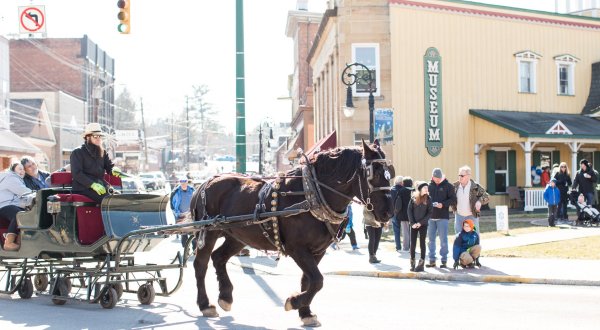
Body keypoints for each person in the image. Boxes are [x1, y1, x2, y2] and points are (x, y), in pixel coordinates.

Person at [70, 123, 121, 204]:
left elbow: (109, 167)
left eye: (100, 136)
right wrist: (92, 185)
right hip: (83, 188)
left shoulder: (102, 152)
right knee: (109, 201)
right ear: (88, 137)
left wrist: (114, 170)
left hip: (100, 185)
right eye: (95, 136)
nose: (98, 138)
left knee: (120, 198)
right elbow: (77, 174)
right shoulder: (77, 152)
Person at [426, 168, 456, 268]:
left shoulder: (448, 186)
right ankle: (432, 260)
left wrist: (442, 205)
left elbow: (453, 199)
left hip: (443, 217)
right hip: (430, 217)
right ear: (432, 177)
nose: (437, 180)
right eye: (435, 178)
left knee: (443, 239)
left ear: (442, 176)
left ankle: (444, 260)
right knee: (431, 240)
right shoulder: (428, 186)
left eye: (438, 178)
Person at [0, 162, 35, 251]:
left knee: (27, 213)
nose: (22, 171)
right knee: (19, 214)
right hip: (4, 205)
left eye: (23, 169)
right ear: (12, 170)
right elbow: (23, 191)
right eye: (19, 169)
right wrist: (37, 194)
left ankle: (20, 240)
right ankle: (8, 242)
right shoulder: (11, 177)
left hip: (7, 204)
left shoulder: (15, 178)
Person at [452, 165, 490, 234]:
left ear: (468, 176)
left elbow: (486, 196)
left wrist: (479, 201)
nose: (460, 177)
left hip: (472, 216)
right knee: (459, 239)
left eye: (462, 175)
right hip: (458, 216)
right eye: (459, 175)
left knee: (473, 238)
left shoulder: (475, 186)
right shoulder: (455, 186)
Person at [407, 182, 432, 272]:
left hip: (423, 225)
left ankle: (421, 265)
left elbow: (429, 213)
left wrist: (420, 223)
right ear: (420, 189)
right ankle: (412, 263)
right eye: (425, 187)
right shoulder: (413, 198)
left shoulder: (428, 199)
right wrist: (412, 223)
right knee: (412, 244)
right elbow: (409, 210)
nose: (426, 189)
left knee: (422, 243)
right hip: (413, 225)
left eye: (427, 188)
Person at [170, 177, 196, 249]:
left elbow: (197, 201)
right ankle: (186, 248)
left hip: (191, 216)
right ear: (180, 183)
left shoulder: (192, 190)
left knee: (193, 232)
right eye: (181, 183)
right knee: (183, 234)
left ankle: (194, 249)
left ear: (187, 182)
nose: (183, 184)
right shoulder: (175, 192)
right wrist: (177, 214)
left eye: (184, 182)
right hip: (180, 216)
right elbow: (172, 206)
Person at [396, 177, 413, 251]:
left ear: (403, 183)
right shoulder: (414, 191)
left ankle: (406, 248)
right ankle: (412, 247)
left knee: (405, 232)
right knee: (413, 232)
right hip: (413, 215)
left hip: (403, 214)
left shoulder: (400, 191)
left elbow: (398, 203)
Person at [390, 175, 404, 252]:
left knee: (396, 230)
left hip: (394, 212)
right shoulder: (404, 189)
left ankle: (398, 247)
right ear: (402, 182)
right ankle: (407, 246)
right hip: (404, 213)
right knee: (406, 230)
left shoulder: (391, 189)